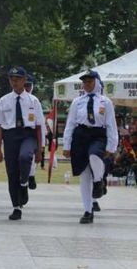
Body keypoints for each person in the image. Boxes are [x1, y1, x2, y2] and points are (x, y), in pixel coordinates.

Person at [62, 69, 118, 224]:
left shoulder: (105, 102)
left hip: (98, 135)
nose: (87, 84)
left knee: (94, 156)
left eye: (90, 81)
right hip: (80, 136)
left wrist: (112, 146)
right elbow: (70, 124)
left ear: (97, 82)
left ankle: (99, 181)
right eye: (84, 82)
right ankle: (88, 211)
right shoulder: (77, 102)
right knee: (84, 175)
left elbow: (111, 125)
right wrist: (66, 145)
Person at [0, 67, 43, 221]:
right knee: (12, 172)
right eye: (12, 79)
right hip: (10, 136)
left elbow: (39, 126)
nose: (14, 82)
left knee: (25, 157)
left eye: (18, 79)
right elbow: (0, 126)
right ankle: (16, 207)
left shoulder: (33, 101)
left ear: (24, 80)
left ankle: (24, 182)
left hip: (28, 135)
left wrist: (40, 149)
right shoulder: (4, 100)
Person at [24, 73, 46, 190]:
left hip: (32, 133)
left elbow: (41, 123)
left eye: (29, 85)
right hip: (18, 134)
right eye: (25, 85)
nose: (27, 88)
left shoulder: (35, 101)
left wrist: (42, 145)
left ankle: (31, 175)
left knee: (31, 157)